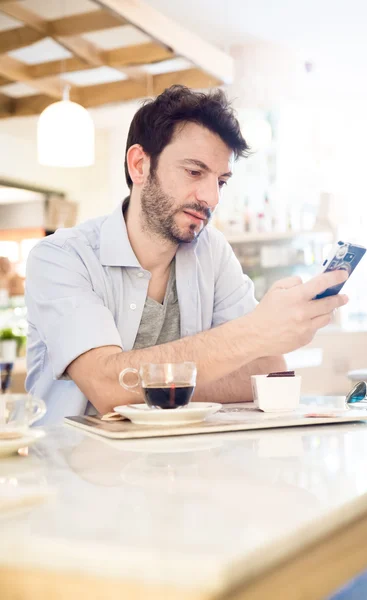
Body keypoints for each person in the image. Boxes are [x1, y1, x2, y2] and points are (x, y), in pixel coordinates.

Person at [25, 85, 348, 423]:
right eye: (194, 172)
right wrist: (255, 332)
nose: (211, 197)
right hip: (72, 469)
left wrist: (140, 385)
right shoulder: (61, 257)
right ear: (139, 165)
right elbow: (107, 388)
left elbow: (268, 369)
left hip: (180, 466)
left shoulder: (213, 251)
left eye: (221, 181)